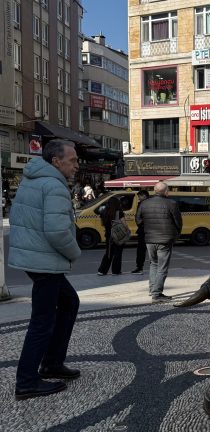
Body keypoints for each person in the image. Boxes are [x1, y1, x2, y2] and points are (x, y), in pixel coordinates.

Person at [8, 139, 82, 400]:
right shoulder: (54, 186)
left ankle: (52, 362)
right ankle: (27, 381)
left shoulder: (33, 180)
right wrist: (75, 253)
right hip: (44, 262)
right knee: (42, 321)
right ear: (56, 161)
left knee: (69, 302)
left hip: (37, 259)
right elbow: (57, 231)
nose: (76, 165)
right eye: (72, 160)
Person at [136, 181, 182, 304]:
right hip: (165, 239)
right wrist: (177, 234)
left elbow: (138, 220)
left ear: (155, 191)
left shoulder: (144, 203)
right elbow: (178, 221)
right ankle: (156, 294)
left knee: (153, 264)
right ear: (166, 191)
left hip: (149, 238)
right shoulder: (172, 203)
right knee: (162, 267)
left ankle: (152, 289)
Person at [96, 196, 126, 276]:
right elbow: (124, 224)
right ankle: (116, 271)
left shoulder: (104, 212)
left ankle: (102, 271)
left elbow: (102, 224)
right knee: (118, 253)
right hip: (118, 235)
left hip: (109, 235)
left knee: (108, 253)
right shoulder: (119, 212)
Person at [130, 190, 150, 275]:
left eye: (139, 196)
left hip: (143, 230)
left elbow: (137, 217)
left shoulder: (141, 204)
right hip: (152, 230)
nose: (139, 198)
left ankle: (139, 268)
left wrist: (141, 225)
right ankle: (154, 268)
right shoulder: (152, 203)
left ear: (144, 196)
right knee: (153, 250)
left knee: (141, 250)